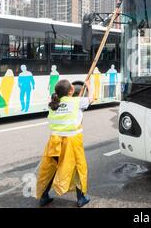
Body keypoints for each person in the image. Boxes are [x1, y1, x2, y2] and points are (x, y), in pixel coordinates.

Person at [36, 80, 94, 208]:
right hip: (71, 142)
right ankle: (81, 198)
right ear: (71, 91)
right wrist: (88, 85)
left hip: (54, 142)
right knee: (78, 168)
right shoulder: (77, 102)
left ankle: (44, 196)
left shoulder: (52, 104)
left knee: (51, 169)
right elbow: (92, 98)